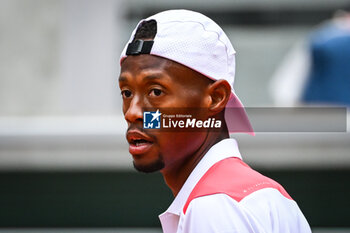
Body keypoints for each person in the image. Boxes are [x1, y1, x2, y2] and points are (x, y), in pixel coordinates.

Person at [118, 9, 311, 233]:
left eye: (156, 92)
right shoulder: (270, 195)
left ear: (216, 98)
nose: (132, 113)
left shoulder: (212, 205)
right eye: (127, 93)